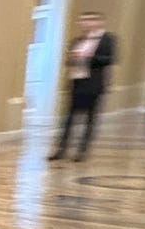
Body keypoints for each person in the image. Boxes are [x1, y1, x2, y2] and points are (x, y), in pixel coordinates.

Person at [50, 11, 117, 162]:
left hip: (94, 83)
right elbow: (69, 60)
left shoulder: (108, 40)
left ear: (98, 22)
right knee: (68, 117)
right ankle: (61, 149)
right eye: (82, 21)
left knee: (90, 118)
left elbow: (110, 59)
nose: (84, 24)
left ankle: (82, 151)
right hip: (77, 80)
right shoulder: (78, 40)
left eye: (88, 20)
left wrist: (89, 57)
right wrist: (72, 58)